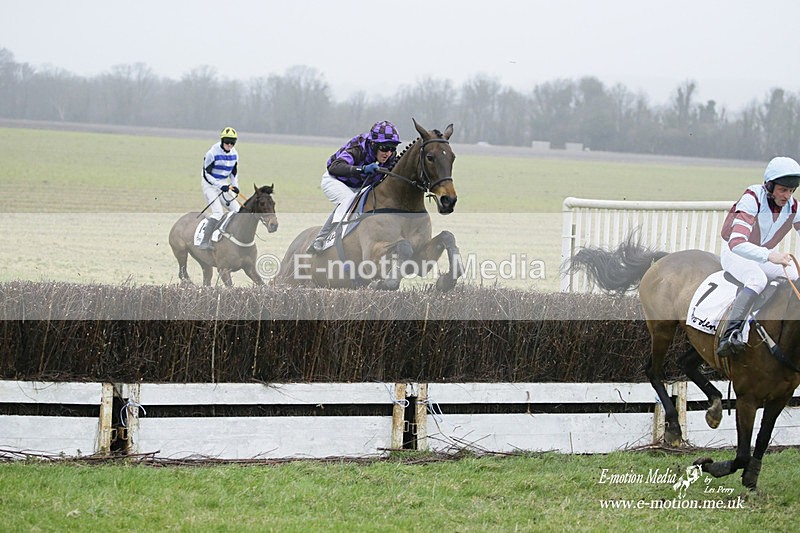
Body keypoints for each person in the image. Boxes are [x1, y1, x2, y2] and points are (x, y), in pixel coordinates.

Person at [716, 156, 800, 357]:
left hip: (759, 256)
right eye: (783, 190)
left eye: (791, 190)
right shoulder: (752, 198)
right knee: (757, 279)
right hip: (734, 252)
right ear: (769, 186)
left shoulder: (793, 207)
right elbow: (737, 242)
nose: (787, 195)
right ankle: (730, 334)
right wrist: (770, 256)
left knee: (793, 273)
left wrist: (769, 257)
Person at [307, 120, 401, 253]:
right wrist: (362, 169)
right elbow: (334, 167)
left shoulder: (391, 157)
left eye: (392, 149)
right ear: (373, 144)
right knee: (349, 200)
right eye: (384, 148)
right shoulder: (359, 147)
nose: (388, 153)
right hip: (335, 180)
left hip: (358, 186)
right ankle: (321, 239)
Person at [198, 126, 242, 250]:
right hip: (210, 184)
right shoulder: (212, 153)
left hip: (224, 184)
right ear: (222, 141)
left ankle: (231, 238)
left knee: (238, 212)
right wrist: (219, 185)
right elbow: (206, 175)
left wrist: (235, 186)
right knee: (218, 213)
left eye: (232, 143)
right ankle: (204, 241)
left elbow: (234, 173)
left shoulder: (235, 154)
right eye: (227, 142)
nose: (229, 145)